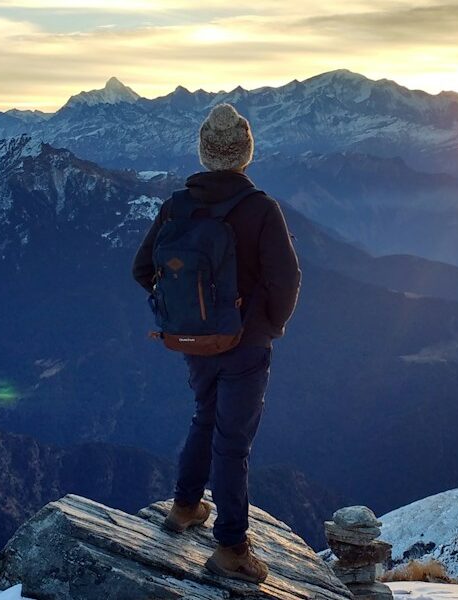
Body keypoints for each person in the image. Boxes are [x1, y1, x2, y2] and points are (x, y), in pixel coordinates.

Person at [131, 103, 301, 583]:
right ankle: (230, 548)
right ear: (246, 154)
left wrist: (182, 312)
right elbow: (287, 281)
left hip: (193, 340)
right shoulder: (261, 209)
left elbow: (143, 270)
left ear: (204, 153)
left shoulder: (177, 206)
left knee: (204, 415)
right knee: (233, 443)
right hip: (245, 346)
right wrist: (269, 324)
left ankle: (185, 507)